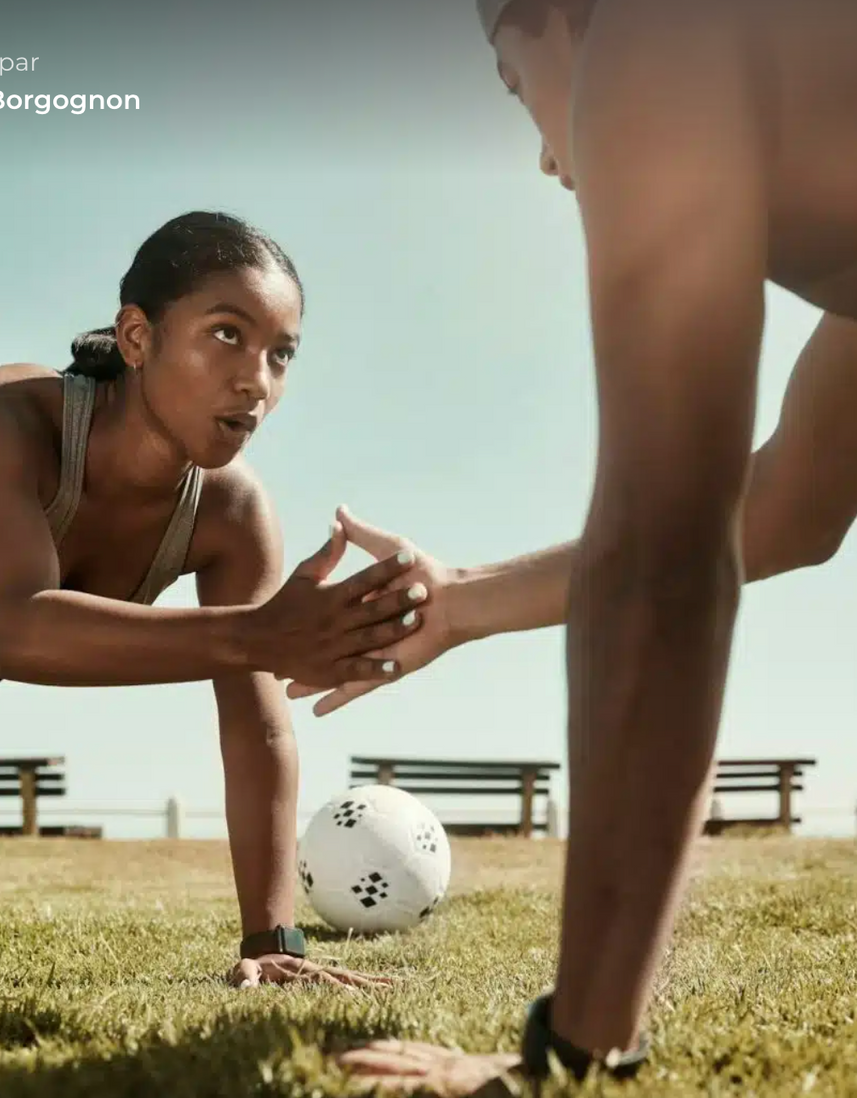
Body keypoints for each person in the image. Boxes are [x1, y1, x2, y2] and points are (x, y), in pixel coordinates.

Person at [306, 0, 857, 1089]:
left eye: (517, 90)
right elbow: (792, 505)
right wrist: (458, 600)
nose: (547, 156)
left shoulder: (655, 36)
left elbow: (659, 560)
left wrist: (570, 1051)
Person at [0, 210, 429, 990]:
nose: (257, 379)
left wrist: (270, 940)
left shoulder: (234, 517)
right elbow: (20, 628)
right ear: (138, 338)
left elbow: (257, 726)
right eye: (226, 335)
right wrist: (261, 634)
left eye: (282, 354)